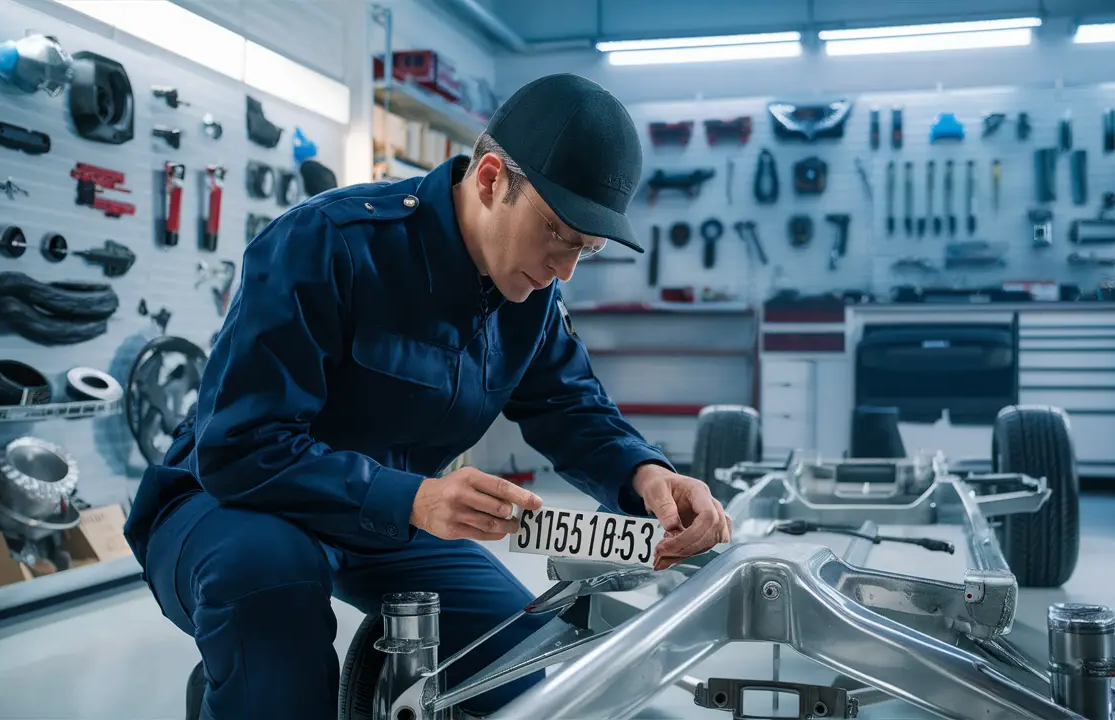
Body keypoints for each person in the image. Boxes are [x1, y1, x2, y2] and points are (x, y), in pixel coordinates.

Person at [123, 72, 732, 720]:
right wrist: (412, 498)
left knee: (518, 658)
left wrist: (649, 475)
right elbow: (239, 448)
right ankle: (240, 690)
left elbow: (571, 406)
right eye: (557, 233)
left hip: (382, 518)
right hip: (232, 501)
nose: (565, 269)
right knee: (271, 594)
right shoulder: (326, 244)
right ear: (493, 179)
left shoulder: (530, 297)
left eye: (587, 248)